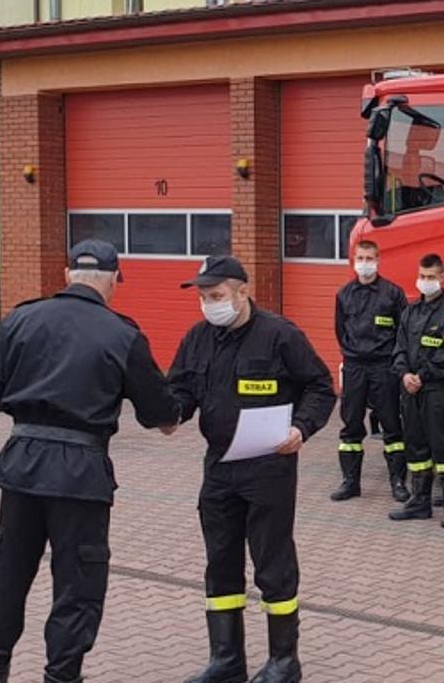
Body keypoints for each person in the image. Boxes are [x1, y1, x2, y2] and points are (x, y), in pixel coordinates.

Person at [0, 240, 181, 683]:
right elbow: (158, 413)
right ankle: (62, 676)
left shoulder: (23, 318)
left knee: (8, 576)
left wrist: (28, 407)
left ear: (67, 275)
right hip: (81, 475)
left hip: (21, 467)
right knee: (77, 586)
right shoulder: (122, 334)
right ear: (113, 281)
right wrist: (171, 417)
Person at [170, 255, 337, 683]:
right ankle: (226, 661)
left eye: (217, 296)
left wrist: (302, 428)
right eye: (204, 298)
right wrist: (169, 415)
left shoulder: (280, 336)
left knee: (272, 562)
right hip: (220, 468)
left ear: (243, 292)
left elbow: (320, 385)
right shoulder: (197, 338)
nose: (209, 305)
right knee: (221, 561)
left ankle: (285, 660)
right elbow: (181, 390)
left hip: (268, 468)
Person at [388, 254, 444, 525]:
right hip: (411, 391)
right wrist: (405, 374)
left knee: (443, 447)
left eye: (432, 277)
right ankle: (419, 501)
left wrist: (422, 375)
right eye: (423, 276)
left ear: (442, 278)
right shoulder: (410, 312)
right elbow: (399, 350)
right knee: (415, 446)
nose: (426, 282)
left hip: (437, 390)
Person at [333, 240, 409, 503]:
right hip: (355, 366)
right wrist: (351, 356)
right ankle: (350, 482)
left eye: (369, 258)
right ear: (354, 260)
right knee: (351, 425)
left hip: (383, 367)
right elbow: (340, 330)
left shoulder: (393, 294)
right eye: (360, 258)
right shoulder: (344, 295)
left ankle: (398, 482)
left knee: (391, 424)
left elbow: (403, 332)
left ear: (378, 259)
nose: (365, 263)